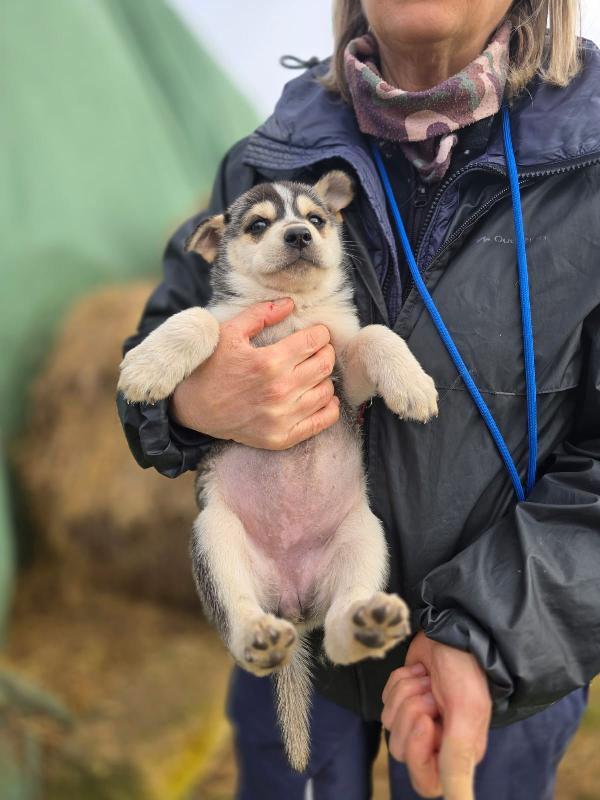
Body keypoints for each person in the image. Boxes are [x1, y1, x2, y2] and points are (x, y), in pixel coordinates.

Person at [117, 1, 600, 797]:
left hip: (501, 663)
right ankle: (261, 625)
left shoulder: (583, 166)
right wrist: (185, 405)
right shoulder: (264, 153)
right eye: (267, 223)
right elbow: (152, 359)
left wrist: (494, 636)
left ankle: (353, 618)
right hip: (284, 628)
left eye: (312, 219)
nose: (296, 231)